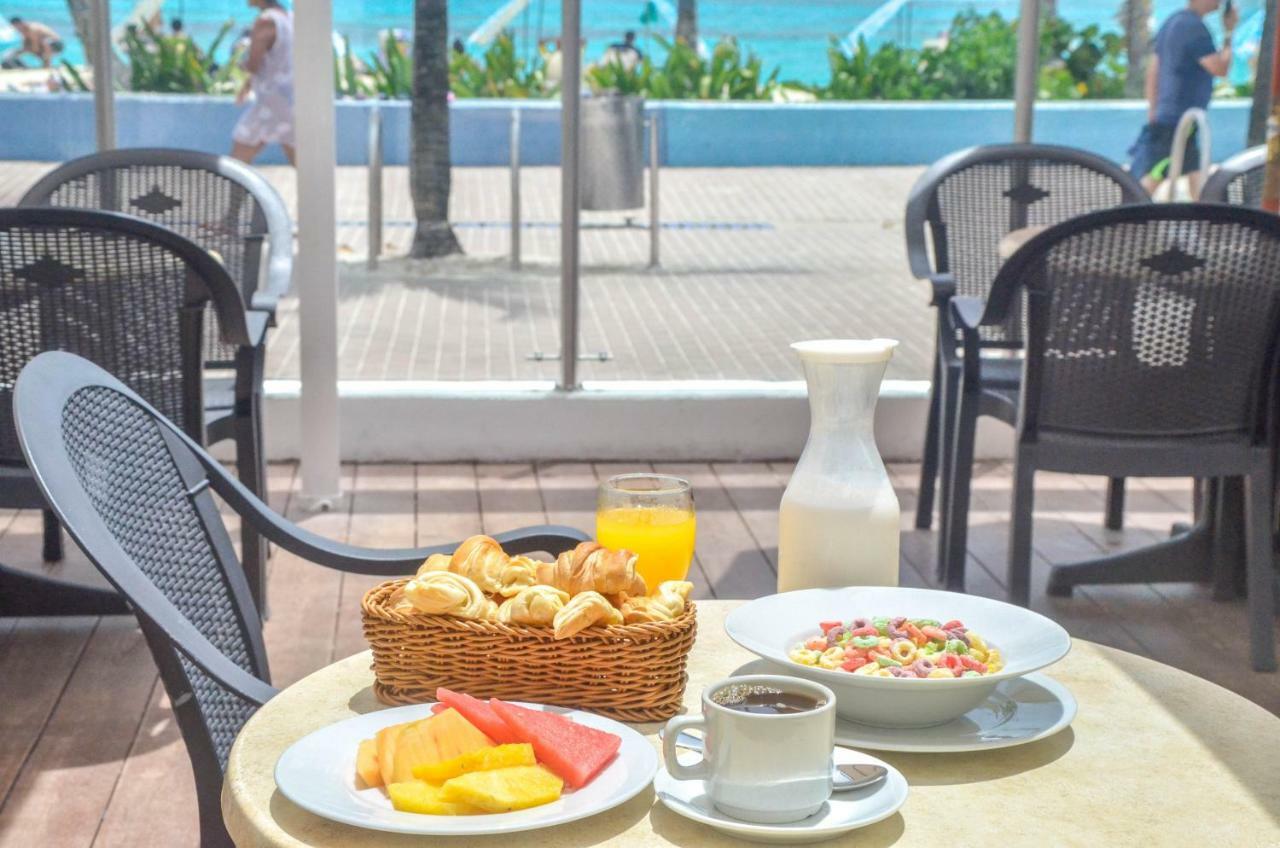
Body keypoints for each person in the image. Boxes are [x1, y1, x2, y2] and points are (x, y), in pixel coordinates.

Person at [1128, 0, 1238, 196]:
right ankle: (1127, 217)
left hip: (1174, 115)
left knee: (1195, 174)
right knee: (1155, 173)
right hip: (1180, 118)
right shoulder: (1194, 28)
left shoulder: (1173, 22)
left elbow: (1154, 69)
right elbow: (1220, 67)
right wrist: (1229, 33)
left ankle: (1210, 218)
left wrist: (1153, 109)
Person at [232, 0, 294, 165]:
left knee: (237, 163)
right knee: (302, 164)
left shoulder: (265, 21)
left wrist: (240, 62)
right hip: (290, 100)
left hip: (270, 102)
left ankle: (230, 191)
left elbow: (254, 65)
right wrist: (247, 86)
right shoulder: (290, 17)